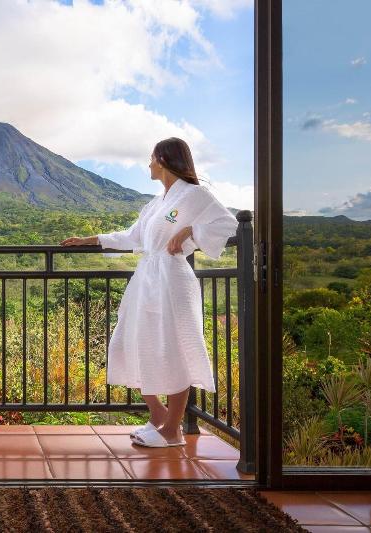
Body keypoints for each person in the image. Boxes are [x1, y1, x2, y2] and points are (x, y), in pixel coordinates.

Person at [59, 137, 238, 447]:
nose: (149, 164)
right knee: (132, 343)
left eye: (152, 158)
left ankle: (172, 431)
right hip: (148, 281)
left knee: (173, 347)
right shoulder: (156, 204)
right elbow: (133, 236)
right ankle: (159, 416)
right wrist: (90, 239)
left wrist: (191, 230)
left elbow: (229, 225)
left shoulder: (195, 195)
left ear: (165, 160)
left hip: (173, 281)